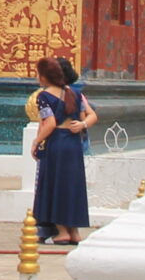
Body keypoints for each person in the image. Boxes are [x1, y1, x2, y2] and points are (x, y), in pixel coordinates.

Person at [30, 55, 96, 245]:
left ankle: (61, 231)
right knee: (72, 185)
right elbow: (84, 115)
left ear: (44, 77)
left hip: (57, 142)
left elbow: (49, 123)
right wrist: (81, 125)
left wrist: (36, 141)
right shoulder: (74, 93)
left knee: (56, 184)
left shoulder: (44, 96)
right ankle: (74, 231)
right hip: (73, 143)